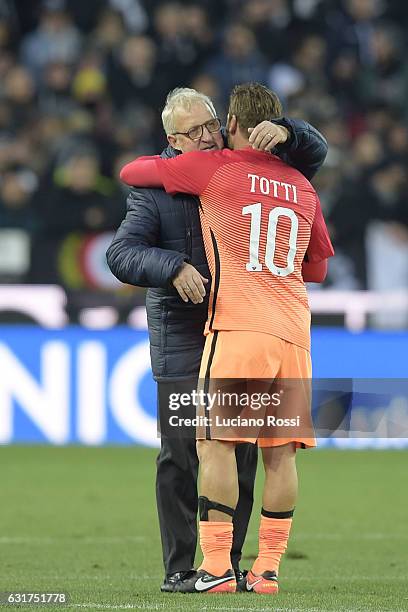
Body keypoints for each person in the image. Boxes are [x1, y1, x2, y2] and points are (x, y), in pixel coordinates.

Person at [107, 87, 329, 593]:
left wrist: (290, 130)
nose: (208, 136)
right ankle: (186, 566)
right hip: (189, 336)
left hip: (232, 326)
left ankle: (223, 564)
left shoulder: (223, 168)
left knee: (236, 452)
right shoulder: (159, 190)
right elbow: (121, 253)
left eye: (212, 124)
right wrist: (173, 266)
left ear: (227, 122)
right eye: (194, 132)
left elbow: (314, 148)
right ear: (172, 139)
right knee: (182, 453)